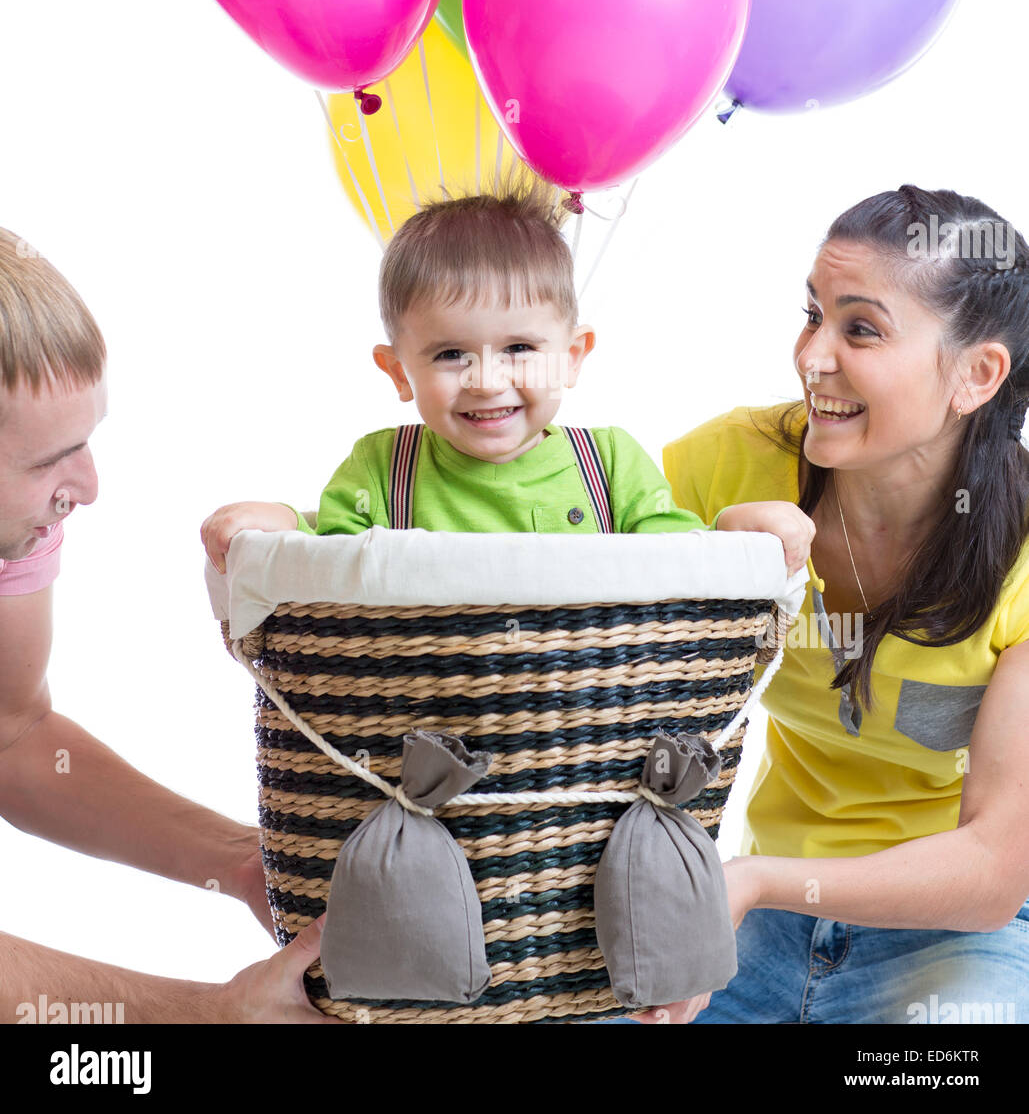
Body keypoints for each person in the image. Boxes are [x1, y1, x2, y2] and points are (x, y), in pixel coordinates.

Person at [649, 184, 1029, 1025]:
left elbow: (994, 872)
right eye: (810, 314)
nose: (812, 355)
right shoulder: (725, 466)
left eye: (859, 328)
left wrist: (752, 879)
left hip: (948, 931)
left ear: (976, 374)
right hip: (757, 921)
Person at [0, 227, 334, 1024]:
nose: (87, 485)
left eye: (87, 441)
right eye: (50, 460)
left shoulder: (13, 531)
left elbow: (12, 737)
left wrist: (250, 864)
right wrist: (205, 1014)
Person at [202, 167, 814, 571]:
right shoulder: (382, 469)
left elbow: (682, 568)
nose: (487, 379)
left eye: (520, 348)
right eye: (449, 354)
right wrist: (279, 525)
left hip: (590, 721)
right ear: (397, 372)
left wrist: (735, 534)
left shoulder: (609, 467)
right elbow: (325, 573)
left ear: (572, 357)